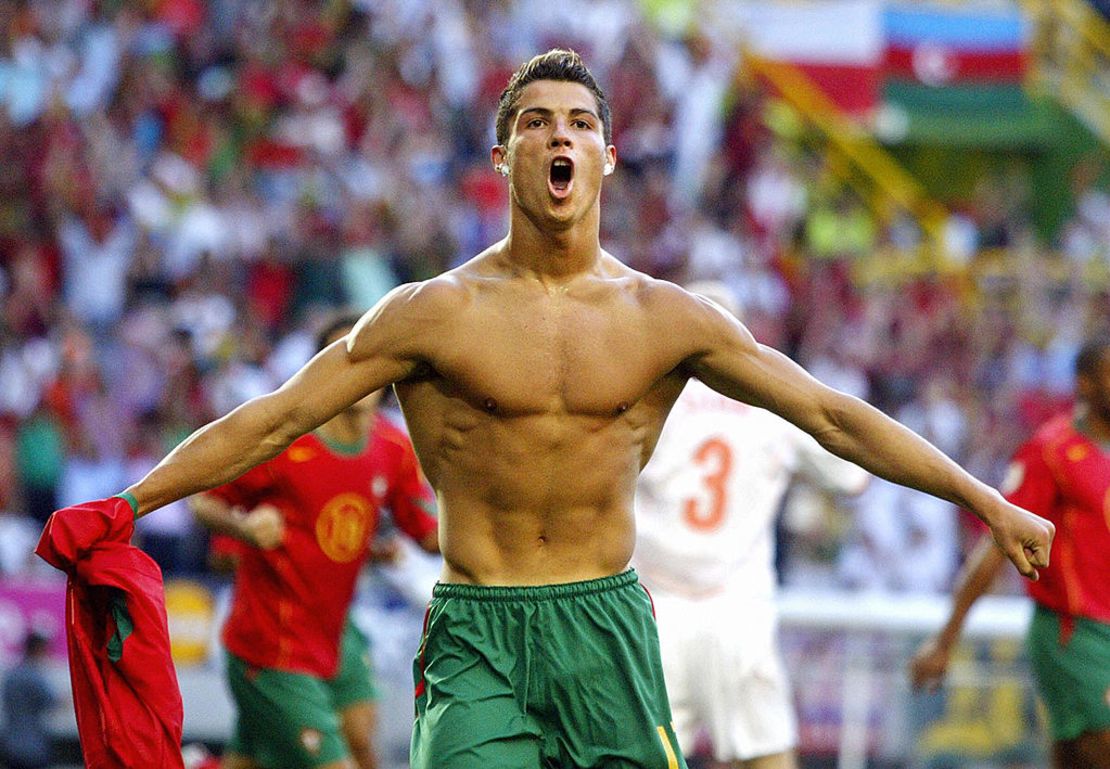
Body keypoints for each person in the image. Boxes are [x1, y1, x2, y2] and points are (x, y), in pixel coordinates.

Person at [43, 49, 1053, 769]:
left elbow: (834, 417)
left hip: (609, 624)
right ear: (503, 160)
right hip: (479, 627)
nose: (558, 135)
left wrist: (987, 502)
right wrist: (129, 505)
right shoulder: (430, 315)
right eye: (535, 122)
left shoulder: (667, 319)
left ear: (607, 158)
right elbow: (271, 417)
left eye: (579, 123)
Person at [633, 281, 870, 769]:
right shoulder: (773, 405)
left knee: (642, 757)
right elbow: (854, 478)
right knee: (766, 756)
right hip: (737, 609)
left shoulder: (642, 400)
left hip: (651, 610)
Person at [189, 314, 440, 769]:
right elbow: (203, 503)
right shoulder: (285, 442)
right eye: (341, 358)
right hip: (272, 644)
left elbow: (428, 535)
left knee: (362, 742)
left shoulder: (393, 447)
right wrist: (245, 530)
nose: (357, 370)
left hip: (335, 632)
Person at [910, 335, 1110, 769]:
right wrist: (947, 638)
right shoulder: (1052, 451)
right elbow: (996, 544)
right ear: (1085, 384)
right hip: (1075, 634)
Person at [0, 631, 56, 769]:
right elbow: (50, 702)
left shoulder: (12, 675)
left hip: (11, 744)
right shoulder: (34, 677)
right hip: (33, 746)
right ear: (37, 649)